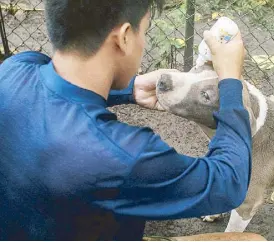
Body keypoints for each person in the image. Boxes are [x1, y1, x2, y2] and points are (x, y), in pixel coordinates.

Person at [0, 0, 254, 240]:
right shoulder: (122, 157)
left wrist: (130, 90)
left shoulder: (13, 70)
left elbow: (61, 89)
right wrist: (230, 80)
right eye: (144, 31)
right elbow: (229, 181)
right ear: (123, 38)